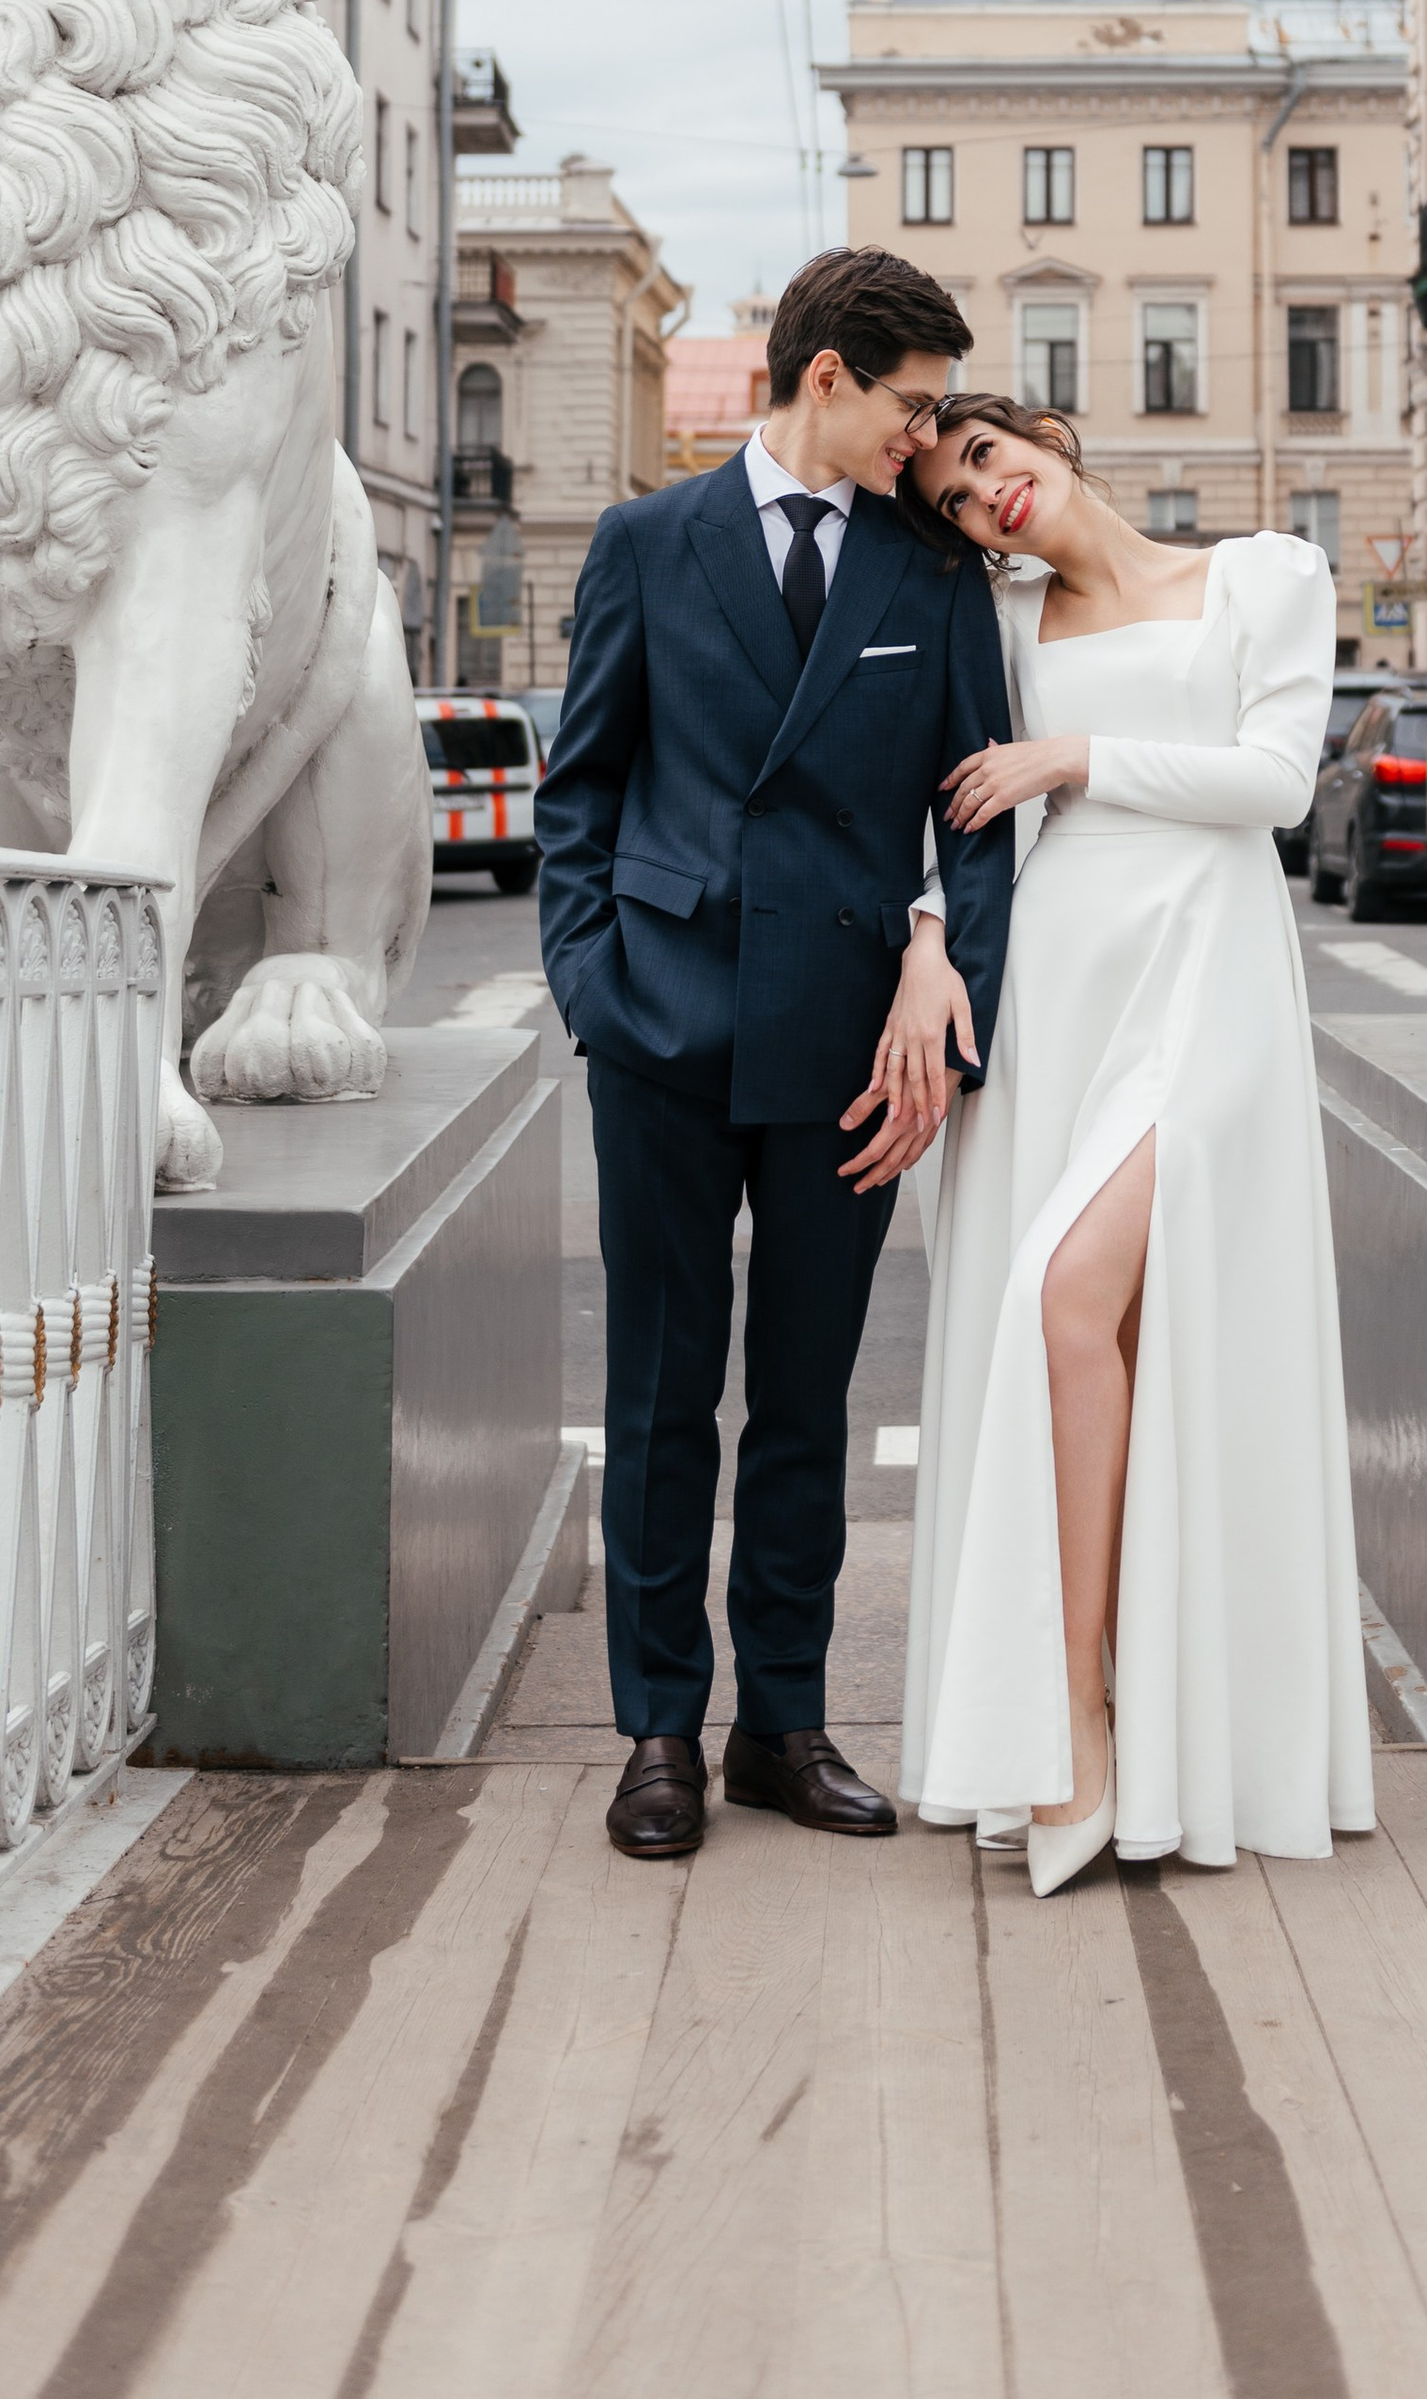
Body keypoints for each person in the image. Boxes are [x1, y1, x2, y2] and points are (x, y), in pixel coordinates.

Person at [535, 249, 1014, 1861]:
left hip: (851, 1050)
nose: (927, 437)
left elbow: (977, 817)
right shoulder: (648, 542)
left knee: (804, 1404)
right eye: (911, 402)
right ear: (828, 379)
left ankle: (785, 1725)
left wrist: (953, 1014)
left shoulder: (928, 574)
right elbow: (580, 794)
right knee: (662, 1396)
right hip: (662, 1030)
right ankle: (658, 1731)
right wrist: (594, 989)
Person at [890, 397, 1374, 1888]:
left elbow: (1275, 785)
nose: (989, 500)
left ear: (1042, 435)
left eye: (985, 460)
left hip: (1210, 973)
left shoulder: (1266, 576)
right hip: (1059, 986)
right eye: (960, 502)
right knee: (1078, 1327)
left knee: (1069, 1292)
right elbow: (942, 807)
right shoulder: (999, 621)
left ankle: (1094, 1721)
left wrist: (1074, 758)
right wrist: (925, 936)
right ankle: (1087, 1723)